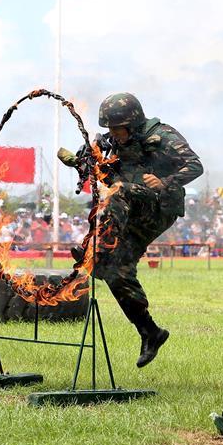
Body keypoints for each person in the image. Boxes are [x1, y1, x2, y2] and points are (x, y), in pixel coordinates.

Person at [58, 92, 203, 367]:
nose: (113, 134)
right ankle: (150, 331)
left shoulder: (164, 136)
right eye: (110, 129)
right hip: (128, 208)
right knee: (114, 271)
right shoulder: (110, 141)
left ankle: (99, 246)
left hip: (158, 207)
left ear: (133, 123)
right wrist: (80, 160)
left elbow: (195, 165)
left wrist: (165, 180)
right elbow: (94, 158)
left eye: (117, 128)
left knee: (118, 190)